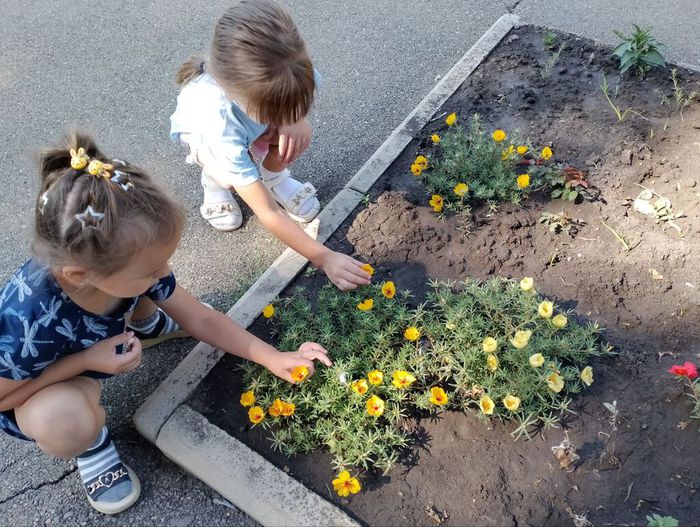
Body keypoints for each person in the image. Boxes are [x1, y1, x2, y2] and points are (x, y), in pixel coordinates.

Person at [0, 133, 331, 514]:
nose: (165, 272)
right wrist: (86, 362)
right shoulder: (30, 318)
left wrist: (272, 357)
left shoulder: (122, 260)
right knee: (64, 421)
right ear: (79, 274)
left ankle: (147, 324)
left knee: (142, 289)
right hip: (38, 383)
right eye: (153, 268)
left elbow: (200, 317)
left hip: (96, 334)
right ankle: (91, 442)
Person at [170, 0, 371, 291]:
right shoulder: (216, 122)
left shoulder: (289, 67)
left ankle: (273, 178)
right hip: (208, 141)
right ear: (236, 93)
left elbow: (287, 103)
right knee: (225, 172)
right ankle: (213, 183)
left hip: (249, 127)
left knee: (298, 134)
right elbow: (269, 213)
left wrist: (294, 120)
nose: (284, 116)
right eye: (275, 112)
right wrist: (323, 257)